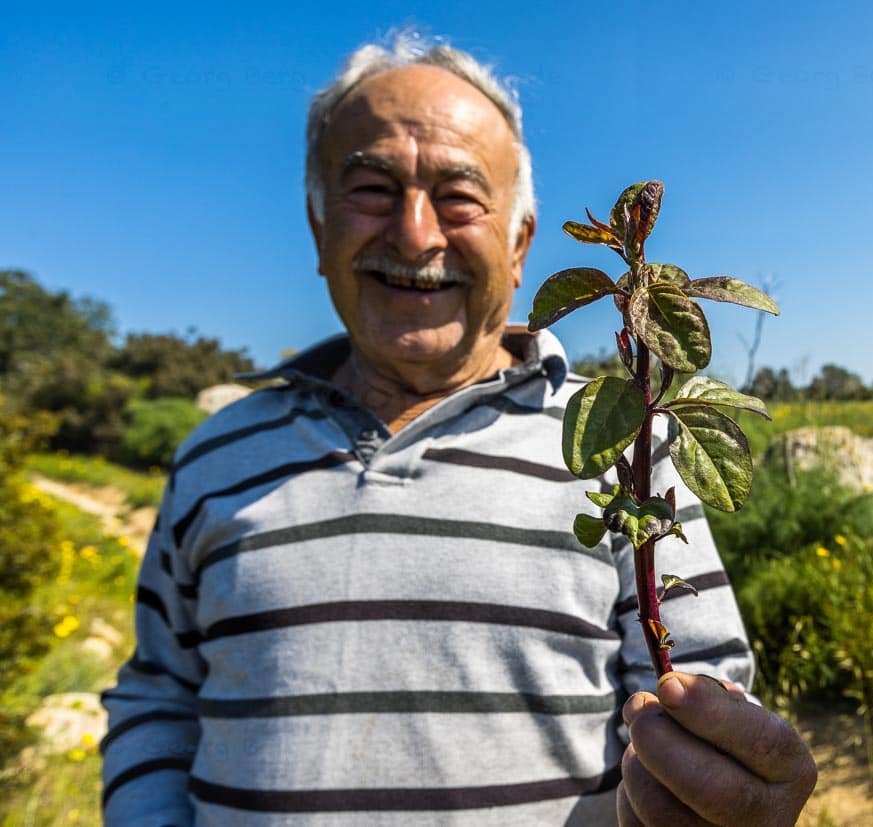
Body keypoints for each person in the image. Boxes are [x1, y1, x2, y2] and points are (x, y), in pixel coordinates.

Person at [101, 30, 816, 826]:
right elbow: (157, 691)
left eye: (459, 196)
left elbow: (701, 698)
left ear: (520, 244)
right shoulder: (214, 452)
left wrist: (723, 786)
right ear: (316, 229)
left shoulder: (625, 444)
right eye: (370, 188)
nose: (415, 235)